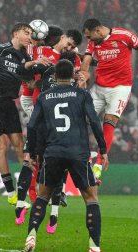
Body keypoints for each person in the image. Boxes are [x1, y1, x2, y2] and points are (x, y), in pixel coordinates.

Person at [23, 59, 108, 252]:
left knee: (43, 196)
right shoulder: (82, 94)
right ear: (73, 75)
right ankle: (94, 246)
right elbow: (95, 121)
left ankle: (31, 237)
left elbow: (33, 125)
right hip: (78, 152)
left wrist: (35, 153)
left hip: (53, 152)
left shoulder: (44, 96)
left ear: (53, 76)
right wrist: (103, 149)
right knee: (91, 198)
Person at [80, 18, 138, 180]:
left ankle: (98, 165)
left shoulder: (124, 35)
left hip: (120, 88)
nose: (88, 40)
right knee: (79, 119)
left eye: (89, 36)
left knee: (109, 121)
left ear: (97, 31)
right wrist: (83, 74)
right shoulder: (94, 42)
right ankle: (83, 158)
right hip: (99, 87)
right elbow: (87, 59)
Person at [0, 22, 50, 205]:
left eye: (31, 33)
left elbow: (30, 83)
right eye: (26, 32)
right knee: (2, 145)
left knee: (20, 146)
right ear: (15, 33)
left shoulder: (25, 56)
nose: (30, 35)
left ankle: (27, 191)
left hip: (9, 104)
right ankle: (11, 192)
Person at [16, 28, 83, 233]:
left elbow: (81, 79)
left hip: (55, 121)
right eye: (68, 44)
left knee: (55, 163)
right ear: (62, 38)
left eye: (72, 47)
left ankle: (53, 213)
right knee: (31, 160)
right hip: (40, 115)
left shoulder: (72, 61)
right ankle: (21, 204)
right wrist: (31, 73)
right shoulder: (43, 56)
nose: (69, 48)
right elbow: (24, 74)